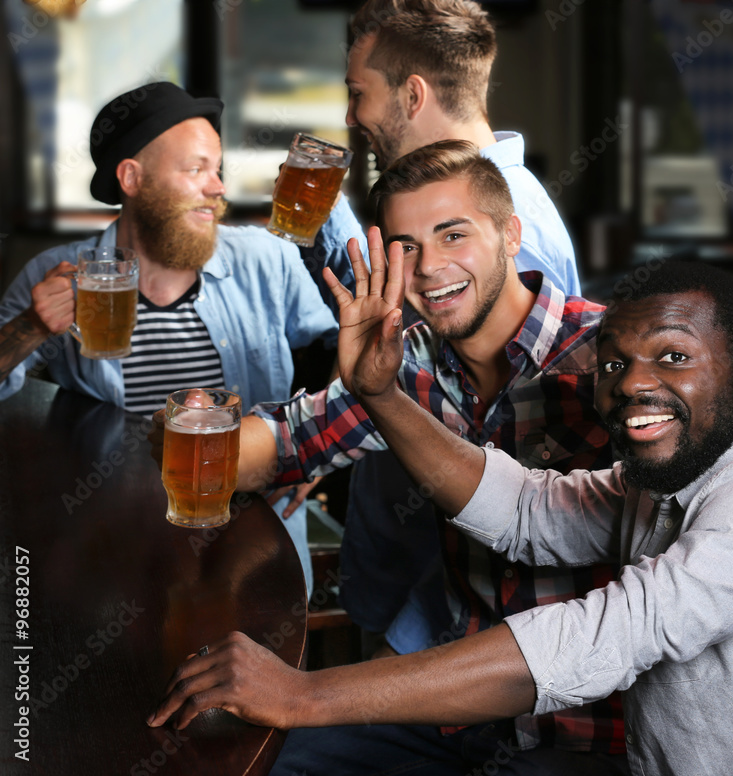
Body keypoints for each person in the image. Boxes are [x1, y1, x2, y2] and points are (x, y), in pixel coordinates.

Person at [148, 255, 733, 776]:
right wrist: (381, 394)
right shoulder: (675, 467)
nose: (634, 384)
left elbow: (601, 635)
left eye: (674, 357)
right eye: (614, 363)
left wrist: (305, 693)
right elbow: (529, 509)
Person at [169, 140, 625, 774]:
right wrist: (197, 432)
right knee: (270, 762)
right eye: (406, 247)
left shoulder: (612, 359)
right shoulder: (406, 361)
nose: (430, 266)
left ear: (511, 234)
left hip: (586, 732)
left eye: (453, 235)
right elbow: (283, 445)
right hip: (459, 715)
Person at [315, 0, 584, 651]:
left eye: (359, 95)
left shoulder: (513, 242)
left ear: (413, 94)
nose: (351, 119)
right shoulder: (459, 217)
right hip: (401, 596)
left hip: (440, 625)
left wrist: (410, 639)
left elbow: (512, 475)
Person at [0, 82, 337, 596]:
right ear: (132, 177)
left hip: (254, 545)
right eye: (196, 169)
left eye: (218, 170)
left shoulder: (266, 259)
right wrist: (30, 326)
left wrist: (318, 451)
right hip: (111, 541)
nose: (218, 187)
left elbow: (349, 355)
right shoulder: (57, 272)